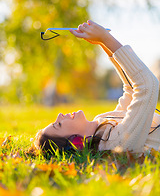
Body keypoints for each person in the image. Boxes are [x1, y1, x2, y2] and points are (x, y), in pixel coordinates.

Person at [32, 20, 160, 155]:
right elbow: (147, 86)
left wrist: (102, 43)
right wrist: (106, 38)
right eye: (58, 125)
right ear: (76, 142)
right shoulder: (115, 143)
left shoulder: (101, 124)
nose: (59, 116)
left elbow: (131, 90)